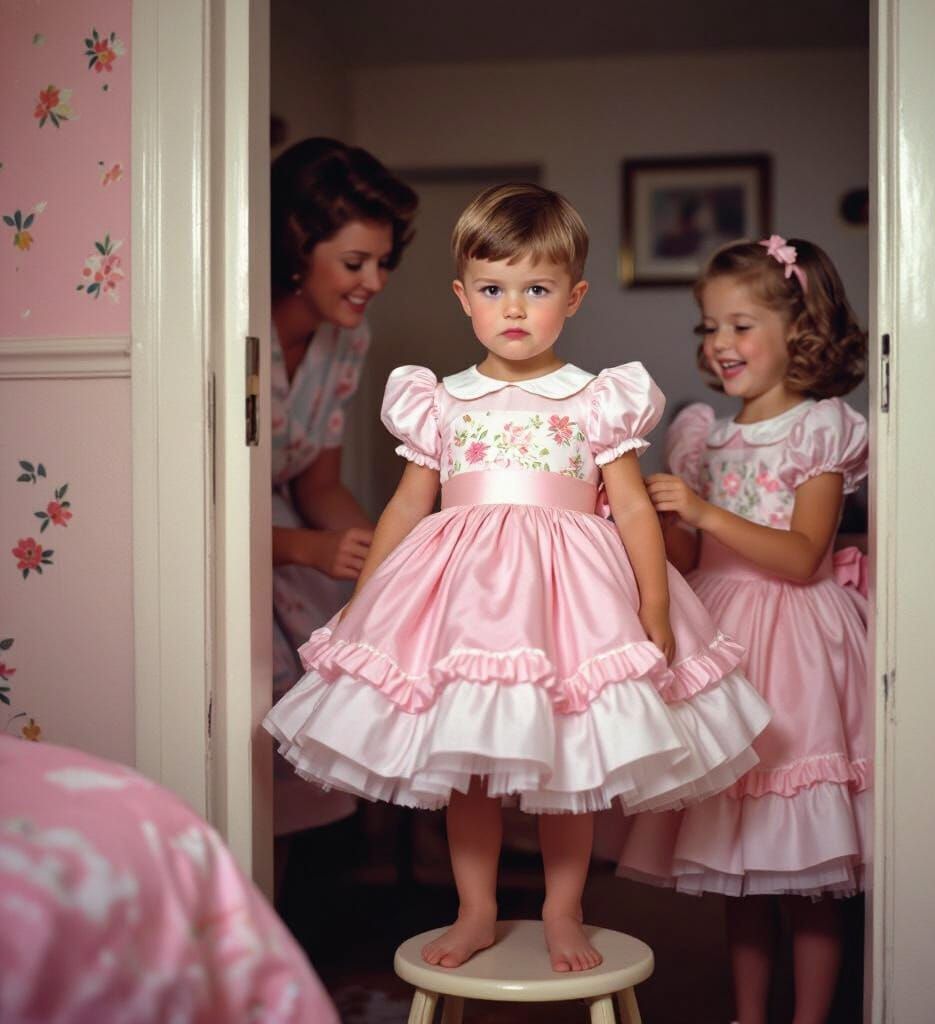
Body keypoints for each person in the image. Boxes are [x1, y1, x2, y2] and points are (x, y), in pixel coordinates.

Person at [263, 183, 771, 974]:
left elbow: (634, 511)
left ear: (572, 297)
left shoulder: (597, 398)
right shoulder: (440, 399)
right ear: (464, 297)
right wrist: (364, 602)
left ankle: (563, 911)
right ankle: (475, 910)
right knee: (470, 772)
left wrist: (658, 605)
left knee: (567, 773)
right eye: (494, 290)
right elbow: (406, 508)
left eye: (536, 290)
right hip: (466, 610)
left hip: (572, 606)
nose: (514, 308)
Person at [618, 236, 869, 1024]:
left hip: (794, 638)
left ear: (799, 326)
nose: (719, 345)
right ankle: (748, 1015)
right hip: (723, 633)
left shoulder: (821, 429)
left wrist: (699, 508)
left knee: (807, 862)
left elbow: (802, 557)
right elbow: (695, 555)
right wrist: (645, 518)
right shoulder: (706, 436)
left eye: (739, 325)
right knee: (738, 855)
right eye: (707, 328)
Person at [270, 137, 417, 838]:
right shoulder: (227, 333)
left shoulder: (346, 340)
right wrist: (305, 546)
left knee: (371, 637)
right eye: (356, 262)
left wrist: (386, 555)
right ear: (299, 248)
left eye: (383, 262)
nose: (376, 281)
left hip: (291, 536)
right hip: (231, 545)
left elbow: (320, 482)